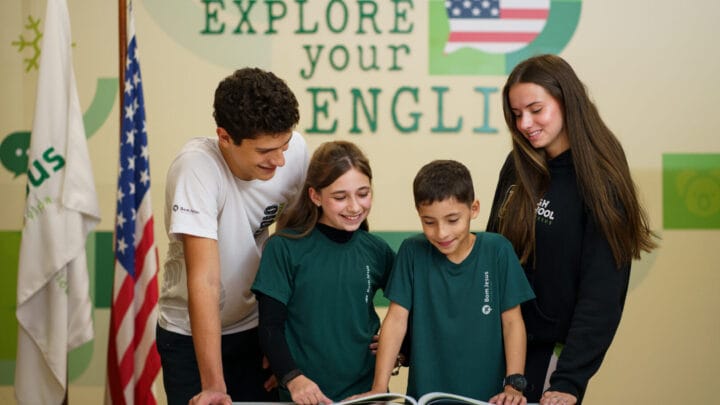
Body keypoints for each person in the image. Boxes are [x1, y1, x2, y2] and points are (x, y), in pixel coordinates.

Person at [486, 54, 657, 405]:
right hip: (495, 344)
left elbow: (602, 295)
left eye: (536, 110)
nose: (525, 123)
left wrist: (568, 380)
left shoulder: (601, 179)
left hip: (552, 358)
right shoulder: (517, 165)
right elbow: (489, 257)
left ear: (567, 100)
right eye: (516, 114)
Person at [156, 67, 309, 405]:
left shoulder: (294, 152)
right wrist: (213, 384)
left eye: (284, 145)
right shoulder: (196, 169)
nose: (280, 160)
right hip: (189, 336)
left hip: (255, 326)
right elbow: (206, 280)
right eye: (265, 151)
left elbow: (290, 250)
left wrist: (279, 343)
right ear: (224, 137)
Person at [355, 160, 535, 405]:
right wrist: (379, 387)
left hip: (488, 398)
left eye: (452, 220)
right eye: (429, 222)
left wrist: (513, 386)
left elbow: (513, 322)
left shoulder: (497, 250)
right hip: (425, 397)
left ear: (474, 209)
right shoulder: (412, 251)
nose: (441, 233)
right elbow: (396, 320)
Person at [251, 140, 395, 404]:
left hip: (365, 395)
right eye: (340, 197)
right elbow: (270, 327)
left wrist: (401, 350)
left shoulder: (377, 250)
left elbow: (411, 309)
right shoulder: (283, 248)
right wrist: (292, 377)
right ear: (315, 196)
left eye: (363, 193)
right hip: (303, 396)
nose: (354, 207)